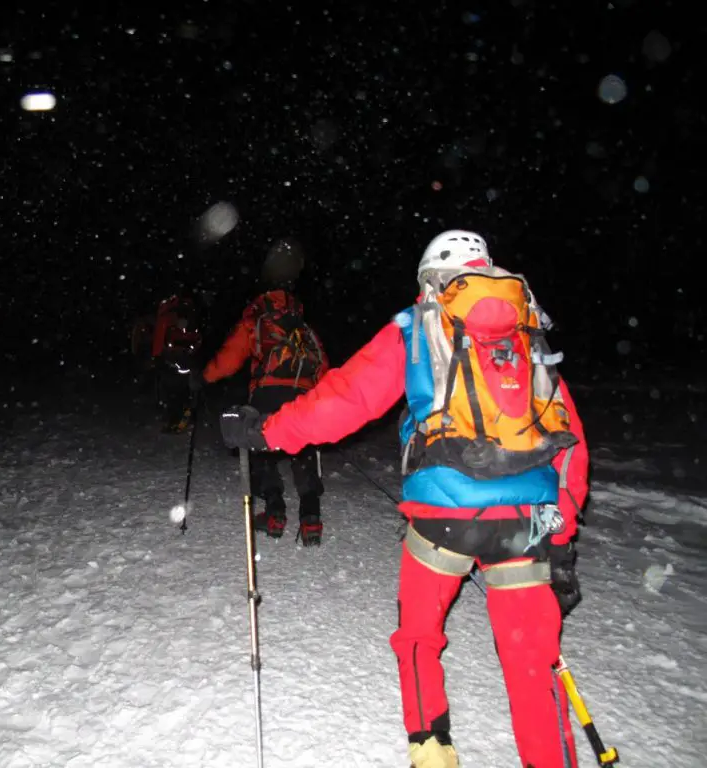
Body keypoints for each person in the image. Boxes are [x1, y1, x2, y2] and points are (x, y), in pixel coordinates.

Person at [219, 230, 588, 768]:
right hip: (529, 520)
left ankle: (431, 750)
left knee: (417, 635)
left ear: (428, 277)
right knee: (532, 660)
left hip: (443, 515)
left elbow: (346, 399)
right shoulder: (526, 334)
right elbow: (570, 440)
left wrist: (269, 433)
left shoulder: (416, 326)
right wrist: (562, 531)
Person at [192, 239, 330, 545]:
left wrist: (204, 377)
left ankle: (275, 511)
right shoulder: (301, 324)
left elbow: (229, 358)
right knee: (303, 449)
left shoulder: (257, 318)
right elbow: (322, 366)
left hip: (268, 391)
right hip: (304, 394)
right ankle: (311, 519)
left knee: (261, 448)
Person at [150, 294, 203, 433]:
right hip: (178, 357)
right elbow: (196, 337)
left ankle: (175, 418)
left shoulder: (168, 313)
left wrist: (157, 356)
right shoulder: (181, 311)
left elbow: (160, 336)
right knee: (180, 390)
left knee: (173, 391)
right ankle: (180, 416)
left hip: (172, 358)